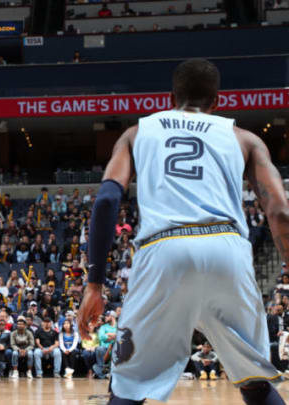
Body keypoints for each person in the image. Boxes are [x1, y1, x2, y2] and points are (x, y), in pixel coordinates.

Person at [78, 58, 286, 404]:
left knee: (128, 387)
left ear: (171, 97)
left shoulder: (137, 132)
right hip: (227, 249)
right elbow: (279, 210)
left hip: (164, 250)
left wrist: (95, 283)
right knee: (255, 382)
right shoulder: (245, 139)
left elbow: (105, 201)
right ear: (217, 101)